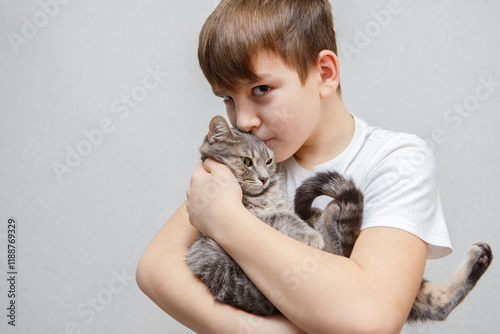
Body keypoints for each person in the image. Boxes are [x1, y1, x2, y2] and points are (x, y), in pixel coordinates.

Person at [136, 0, 453, 333]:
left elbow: (369, 317)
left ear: (325, 74)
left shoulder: (396, 159)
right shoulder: (246, 163)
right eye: (227, 98)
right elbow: (154, 267)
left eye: (261, 89)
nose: (242, 121)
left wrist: (224, 219)